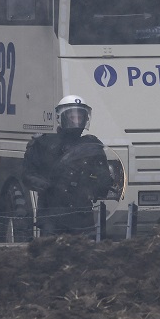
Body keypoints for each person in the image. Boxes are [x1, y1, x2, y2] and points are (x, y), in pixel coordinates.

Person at [22, 95, 116, 236]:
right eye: (72, 116)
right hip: (52, 214)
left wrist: (94, 185)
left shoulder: (91, 146)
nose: (77, 121)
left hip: (81, 214)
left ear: (86, 118)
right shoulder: (44, 144)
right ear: (61, 117)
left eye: (80, 116)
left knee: (84, 253)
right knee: (50, 254)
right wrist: (47, 186)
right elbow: (28, 174)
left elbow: (102, 179)